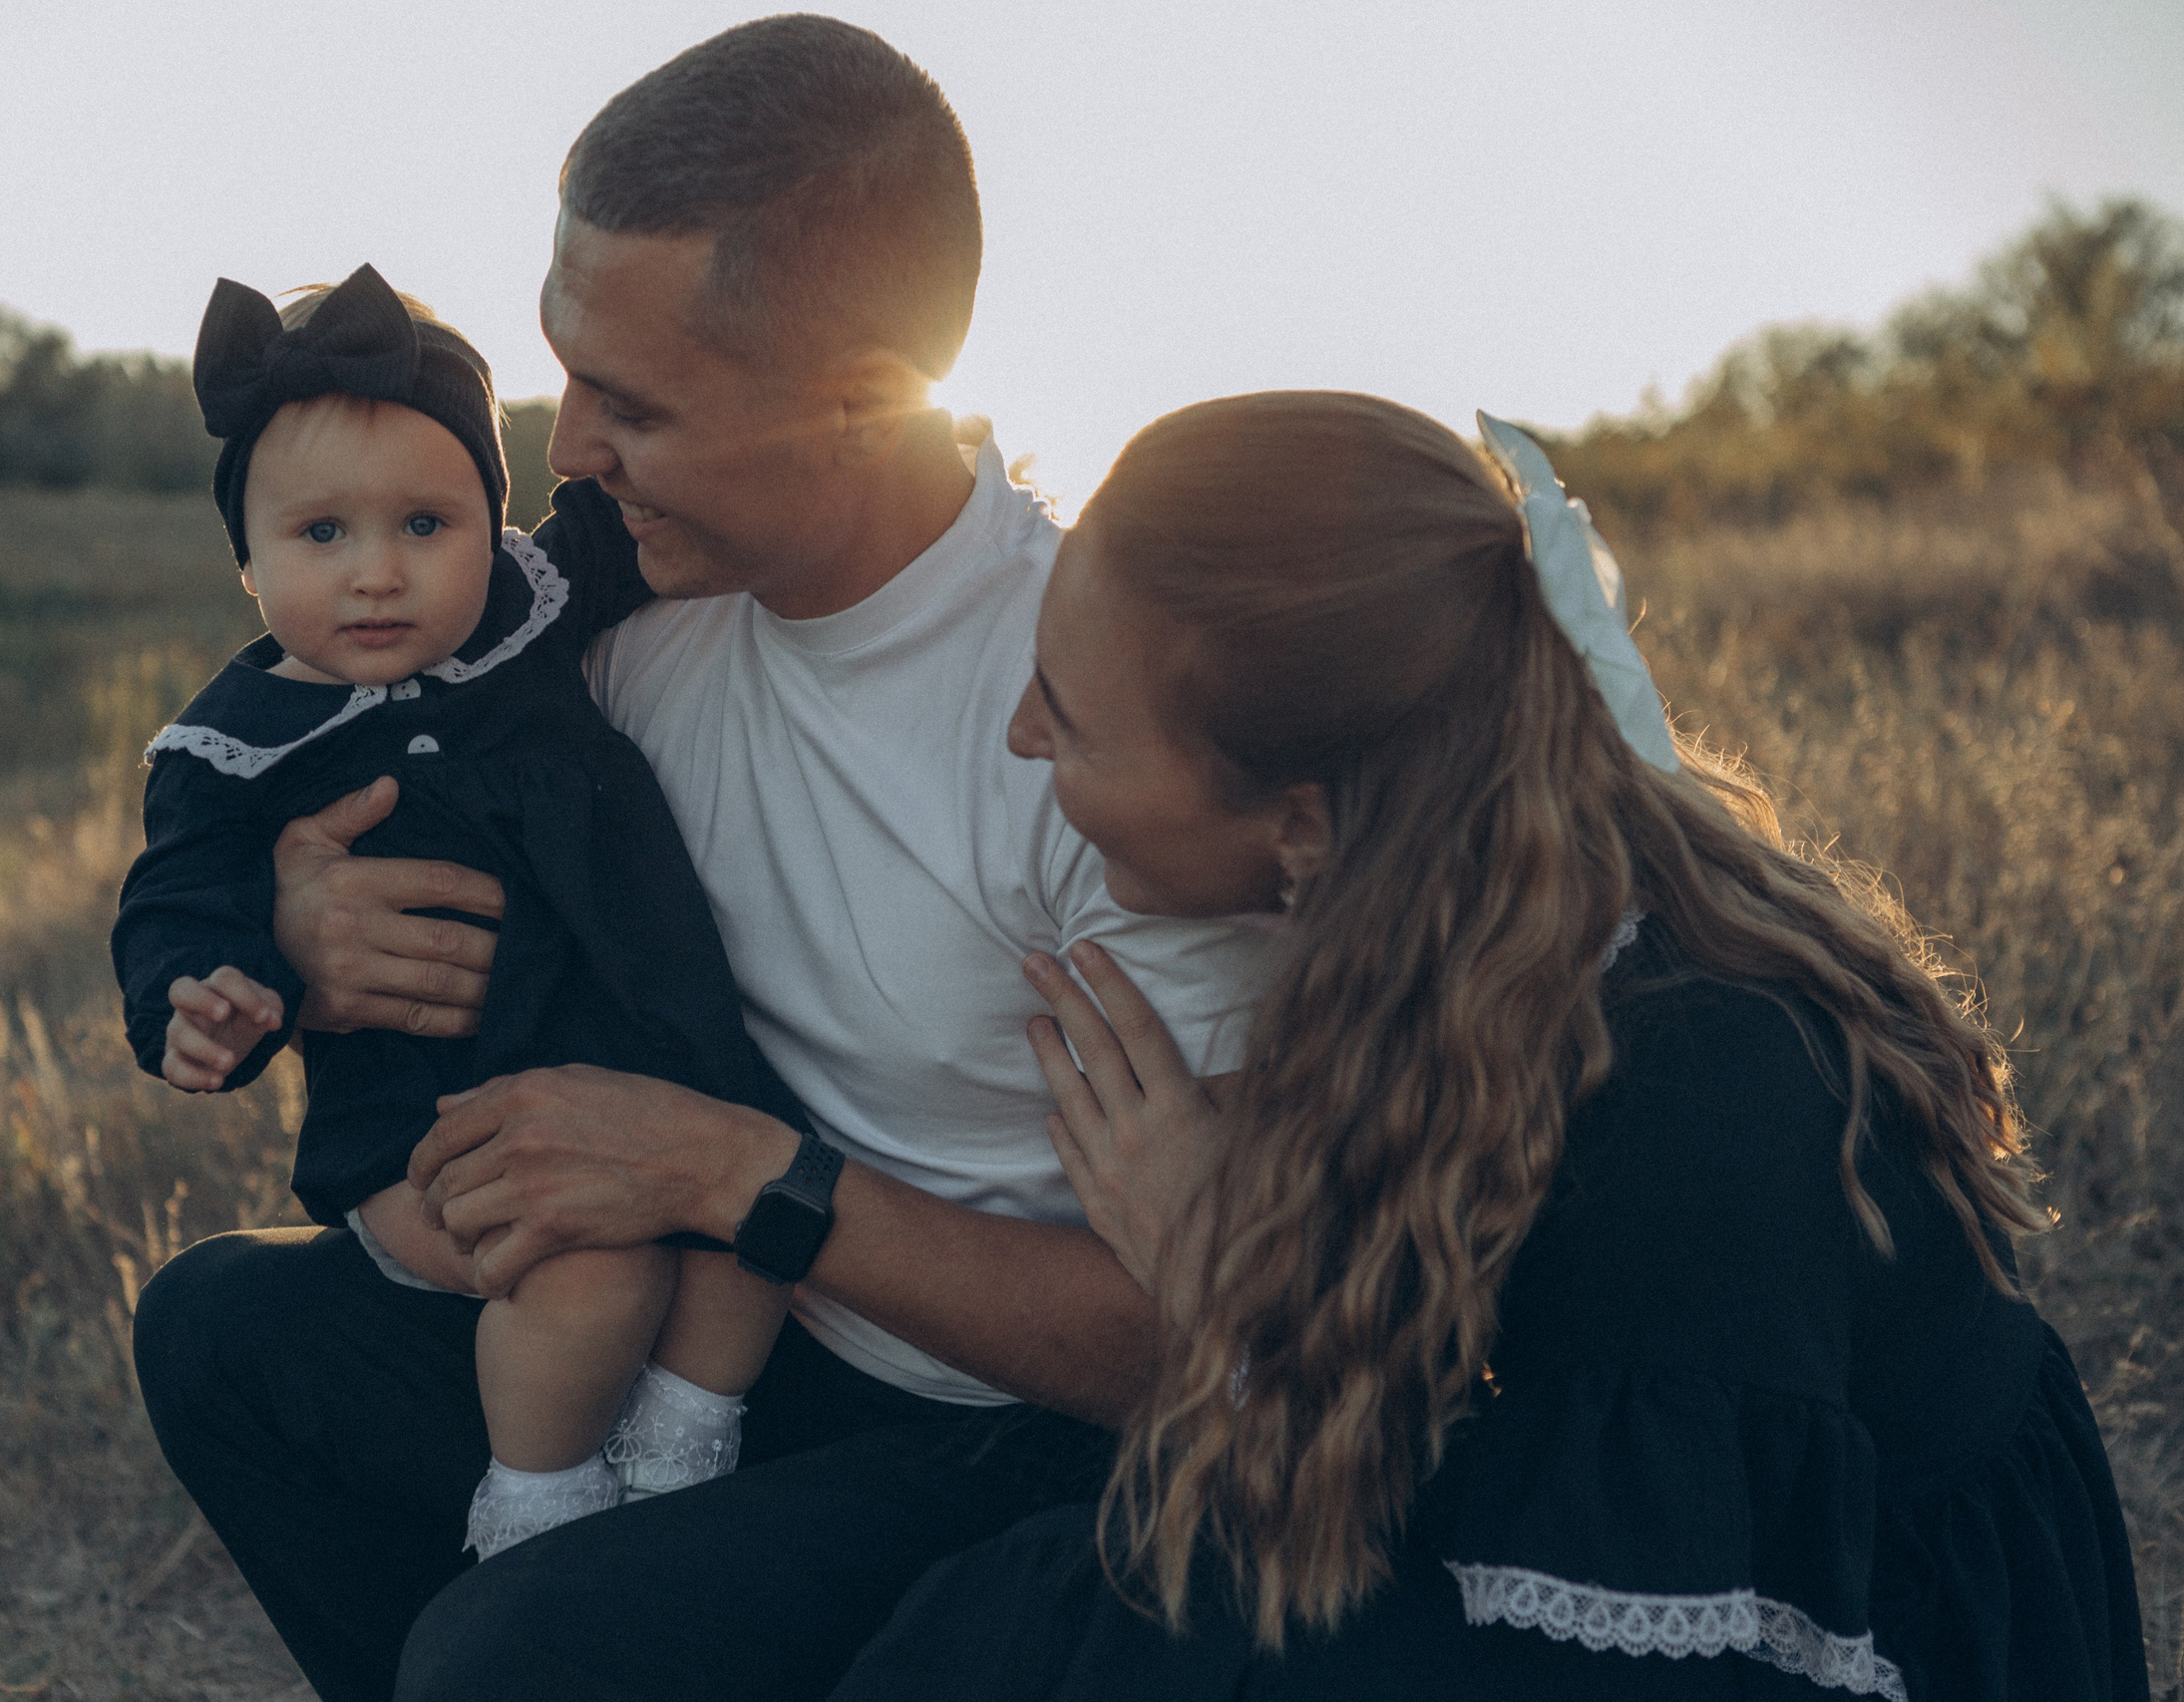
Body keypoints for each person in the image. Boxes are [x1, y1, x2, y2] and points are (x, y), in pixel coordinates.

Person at [128, 19, 1271, 1702]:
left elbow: (1204, 1346)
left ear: (858, 401)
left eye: (632, 404)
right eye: (562, 370)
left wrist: (737, 1176)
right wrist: (301, 922)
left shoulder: (1104, 721)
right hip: (688, 1321)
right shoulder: (599, 629)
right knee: (224, 1334)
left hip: (1012, 1424)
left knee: (511, 1655)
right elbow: (350, 762)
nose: (563, 444)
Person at [830, 392, 2150, 1701]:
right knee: (1029, 1612)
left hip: (1830, 1643)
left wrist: (1220, 1272)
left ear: (1302, 825)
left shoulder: (1696, 1101)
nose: (1020, 733)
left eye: (1072, 713)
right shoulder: (1454, 931)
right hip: (1598, 1560)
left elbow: (1647, 1661)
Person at [113, 262, 813, 1561]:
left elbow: (632, 497)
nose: (378, 574)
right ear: (249, 567)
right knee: (599, 1269)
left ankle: (680, 1454)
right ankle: (538, 1509)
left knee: (761, 1226)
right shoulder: (235, 749)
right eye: (322, 536)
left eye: (426, 526)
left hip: (651, 1064)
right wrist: (205, 993)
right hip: (429, 1124)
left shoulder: (530, 620)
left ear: (494, 527)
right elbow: (178, 904)